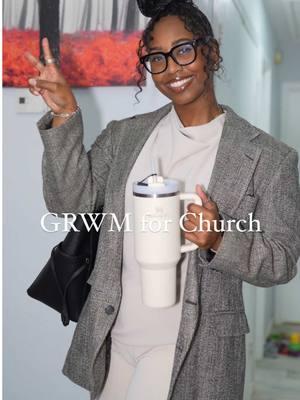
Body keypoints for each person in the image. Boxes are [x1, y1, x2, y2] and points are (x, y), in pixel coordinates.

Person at [25, 1, 300, 399]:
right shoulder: (125, 137)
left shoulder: (270, 157)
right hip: (114, 337)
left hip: (194, 345)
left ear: (211, 51)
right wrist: (66, 115)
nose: (172, 68)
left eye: (183, 50)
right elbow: (69, 204)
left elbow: (282, 262)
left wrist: (220, 239)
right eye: (157, 58)